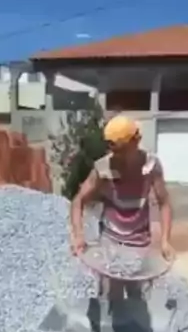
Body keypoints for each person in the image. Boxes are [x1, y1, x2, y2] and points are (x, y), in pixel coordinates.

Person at [70, 114, 174, 267]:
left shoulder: (151, 166)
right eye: (114, 151)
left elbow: (164, 203)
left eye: (122, 151)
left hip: (140, 243)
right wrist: (78, 236)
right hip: (109, 242)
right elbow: (78, 201)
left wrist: (165, 241)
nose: (117, 156)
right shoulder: (103, 168)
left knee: (137, 279)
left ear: (136, 141)